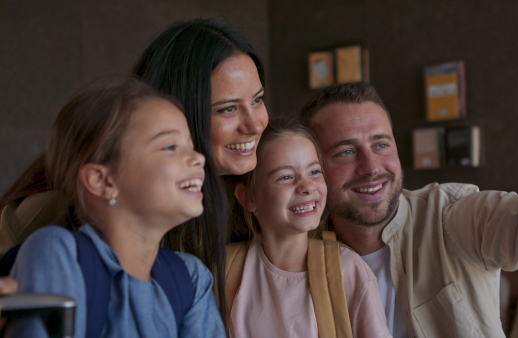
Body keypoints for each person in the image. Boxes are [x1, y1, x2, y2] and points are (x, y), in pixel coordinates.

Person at [0, 18, 269, 319]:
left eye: (258, 100)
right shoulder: (66, 205)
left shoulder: (251, 191)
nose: (255, 123)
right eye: (228, 109)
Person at [299, 82, 518, 338]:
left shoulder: (452, 216)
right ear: (313, 168)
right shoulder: (297, 257)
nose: (371, 167)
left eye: (381, 145)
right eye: (346, 152)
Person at [8, 76, 226, 337]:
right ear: (102, 181)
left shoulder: (190, 278)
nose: (199, 157)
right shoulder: (57, 253)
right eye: (170, 146)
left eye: (191, 146)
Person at [228, 118, 392, 337]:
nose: (307, 186)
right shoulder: (225, 271)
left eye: (314, 172)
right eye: (285, 177)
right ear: (248, 197)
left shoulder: (346, 270)